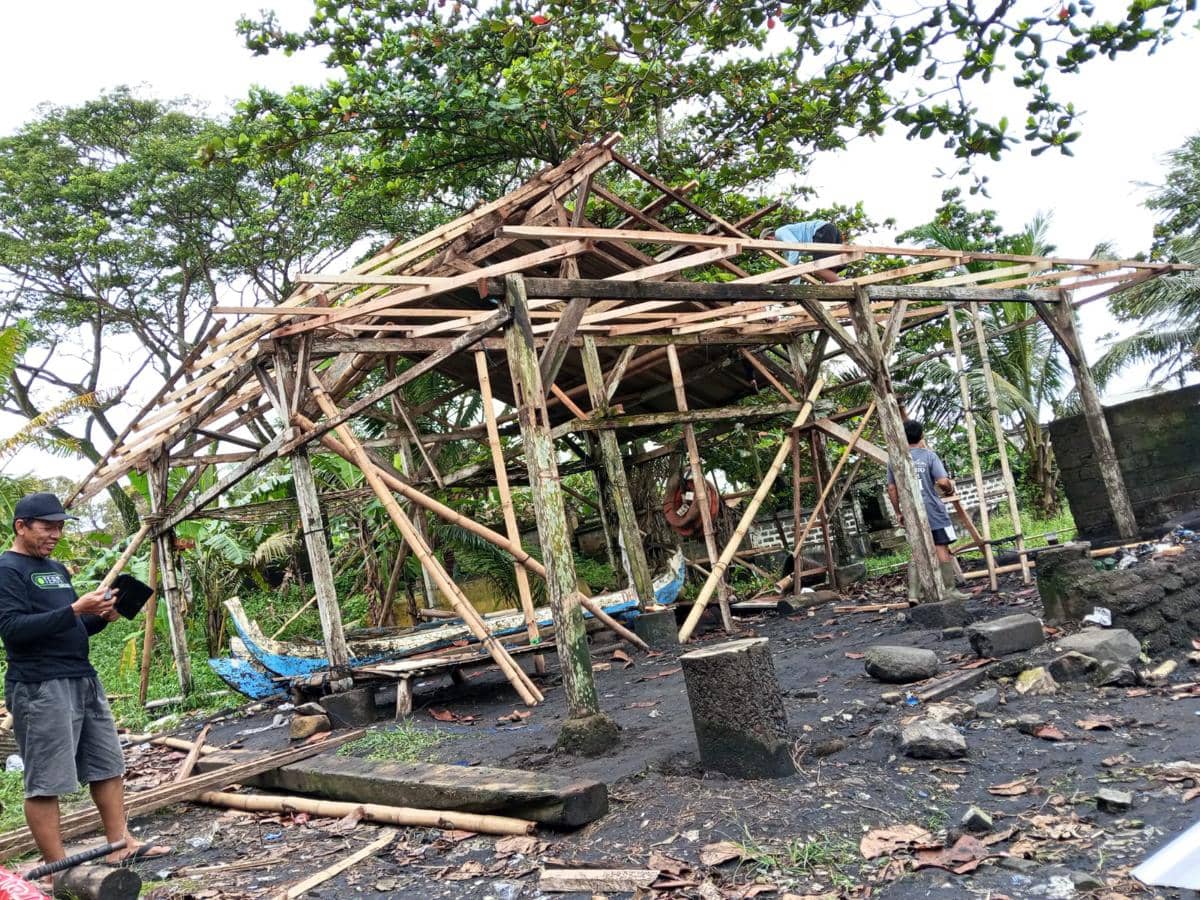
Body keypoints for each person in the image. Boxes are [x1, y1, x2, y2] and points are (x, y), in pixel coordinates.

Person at [0, 492, 170, 870]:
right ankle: (56, 869)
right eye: (47, 526)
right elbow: (12, 629)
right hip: (40, 686)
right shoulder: (7, 570)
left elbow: (70, 624)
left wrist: (100, 616)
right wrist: (76, 608)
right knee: (46, 780)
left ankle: (119, 844)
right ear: (21, 526)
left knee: (107, 764)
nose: (56, 534)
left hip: (82, 678)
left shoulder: (57, 570)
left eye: (60, 526)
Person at [885, 422, 970, 603]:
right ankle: (949, 590)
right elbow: (942, 482)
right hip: (932, 510)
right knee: (941, 546)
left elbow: (891, 489)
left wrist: (899, 512)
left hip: (911, 513)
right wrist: (949, 488)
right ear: (921, 436)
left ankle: (914, 594)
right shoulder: (929, 456)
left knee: (917, 550)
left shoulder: (894, 460)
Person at [762, 220, 845, 283]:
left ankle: (845, 286)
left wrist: (786, 271)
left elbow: (794, 246)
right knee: (829, 271)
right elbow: (795, 269)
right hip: (831, 231)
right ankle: (845, 285)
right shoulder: (786, 249)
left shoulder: (779, 232)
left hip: (822, 230)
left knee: (818, 269)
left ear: (769, 238)